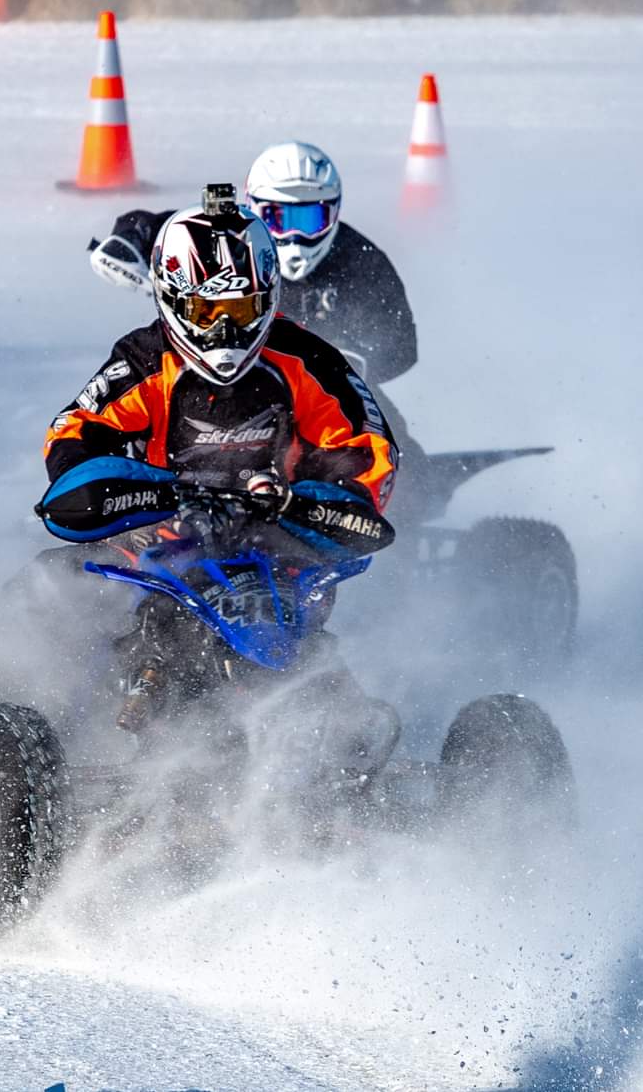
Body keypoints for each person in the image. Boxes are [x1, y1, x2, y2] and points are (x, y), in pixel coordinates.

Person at [37, 186, 397, 727]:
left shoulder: (306, 359)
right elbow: (75, 431)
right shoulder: (144, 360)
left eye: (242, 309)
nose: (226, 330)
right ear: (176, 302)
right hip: (160, 544)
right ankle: (29, 716)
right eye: (208, 310)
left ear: (269, 297)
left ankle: (350, 742)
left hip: (279, 550)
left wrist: (318, 498)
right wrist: (123, 490)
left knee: (310, 666)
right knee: (49, 593)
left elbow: (367, 449)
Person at [89, 141, 416, 386]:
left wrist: (357, 362)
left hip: (315, 383)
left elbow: (402, 345)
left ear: (334, 213)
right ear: (252, 207)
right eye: (278, 217)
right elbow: (153, 225)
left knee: (387, 434)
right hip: (210, 363)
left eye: (310, 218)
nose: (294, 234)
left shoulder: (360, 261)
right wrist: (128, 240)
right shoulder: (221, 231)